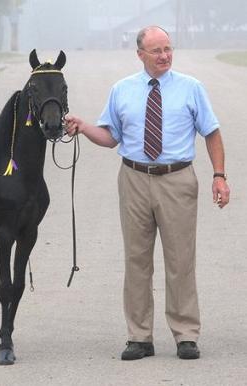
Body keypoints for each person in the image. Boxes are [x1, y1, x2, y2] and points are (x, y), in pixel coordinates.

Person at [66, 25, 230, 360]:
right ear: (140, 54)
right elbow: (111, 137)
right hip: (134, 178)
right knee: (136, 259)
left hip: (177, 179)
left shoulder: (190, 88)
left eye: (168, 49)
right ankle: (139, 337)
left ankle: (186, 334)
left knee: (180, 260)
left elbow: (211, 133)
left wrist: (219, 176)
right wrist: (83, 128)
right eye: (156, 51)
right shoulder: (122, 90)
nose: (165, 56)